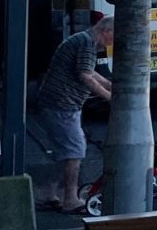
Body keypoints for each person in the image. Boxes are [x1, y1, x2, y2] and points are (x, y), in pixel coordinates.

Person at [31, 17, 113, 213]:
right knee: (75, 150)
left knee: (65, 151)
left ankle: (48, 194)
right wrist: (109, 97)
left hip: (56, 103)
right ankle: (70, 199)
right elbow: (85, 76)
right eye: (113, 38)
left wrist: (109, 85)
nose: (112, 44)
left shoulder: (83, 39)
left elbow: (89, 71)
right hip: (62, 104)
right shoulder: (86, 43)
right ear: (106, 31)